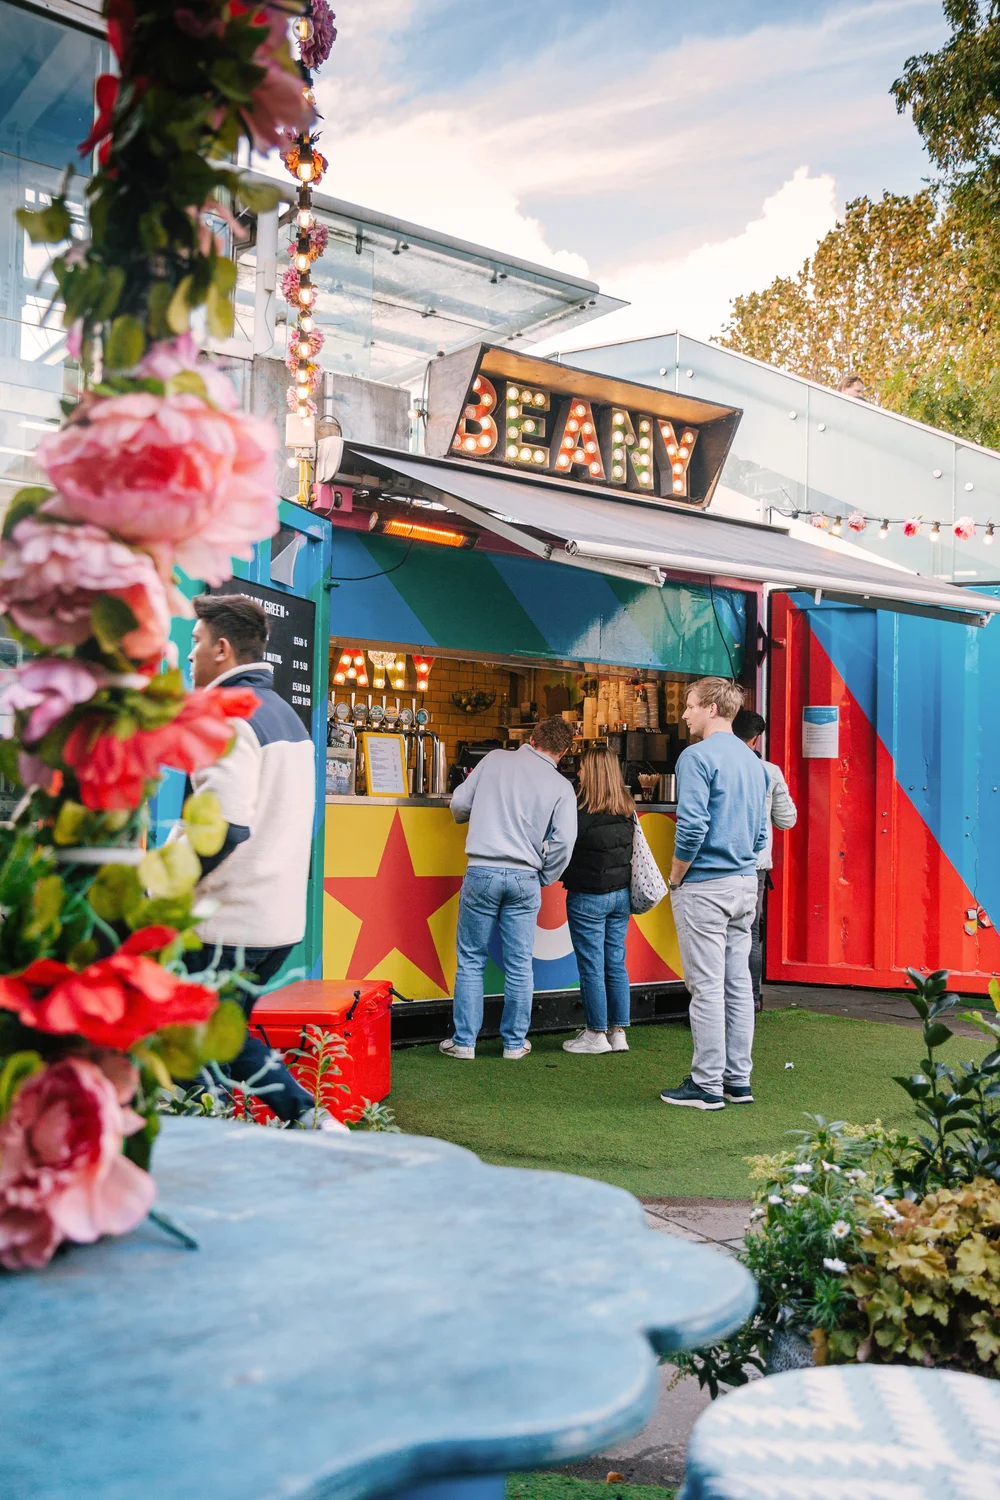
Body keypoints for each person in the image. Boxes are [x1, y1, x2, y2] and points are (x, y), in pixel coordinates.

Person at [181, 594, 335, 1127]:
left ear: (222, 648)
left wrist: (163, 886)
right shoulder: (284, 714)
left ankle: (244, 1132)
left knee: (189, 1037)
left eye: (196, 641)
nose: (189, 654)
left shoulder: (223, 715)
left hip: (226, 920)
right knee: (224, 1037)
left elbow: (223, 825)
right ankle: (308, 1120)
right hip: (276, 921)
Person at [660, 678, 767, 1111]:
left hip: (704, 885)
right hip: (744, 883)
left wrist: (675, 876)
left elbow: (691, 826)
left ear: (710, 708)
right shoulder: (754, 760)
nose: (685, 714)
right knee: (737, 985)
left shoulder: (696, 756)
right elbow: (761, 833)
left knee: (705, 988)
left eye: (690, 706)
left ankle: (705, 1085)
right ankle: (737, 1081)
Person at [443, 717, 577, 1061]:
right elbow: (565, 842)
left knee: (471, 959)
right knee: (519, 964)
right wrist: (544, 876)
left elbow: (459, 804)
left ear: (531, 738)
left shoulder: (494, 760)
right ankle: (514, 1045)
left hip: (482, 870)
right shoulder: (561, 786)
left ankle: (464, 1043)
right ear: (564, 752)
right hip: (525, 877)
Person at [560, 744, 636, 1055]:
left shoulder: (577, 810)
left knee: (591, 965)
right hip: (620, 896)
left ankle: (595, 1033)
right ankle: (618, 1032)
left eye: (580, 767)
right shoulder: (626, 808)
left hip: (588, 896)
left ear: (589, 773)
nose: (577, 772)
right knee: (615, 963)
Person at [733, 708, 797, 1014]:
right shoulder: (769, 771)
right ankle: (751, 999)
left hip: (718, 863)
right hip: (755, 865)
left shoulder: (716, 762)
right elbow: (787, 819)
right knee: (749, 932)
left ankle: (720, 1000)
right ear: (756, 739)